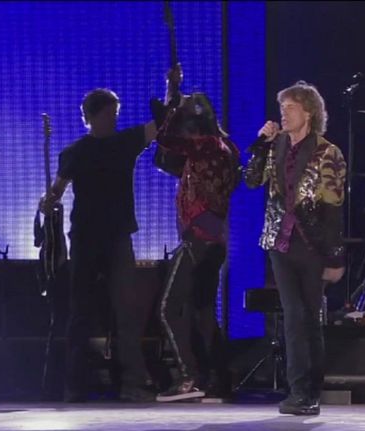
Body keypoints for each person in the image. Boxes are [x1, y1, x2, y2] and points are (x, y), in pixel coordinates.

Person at [39, 88, 158, 403]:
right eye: (108, 114)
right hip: (86, 238)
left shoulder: (125, 142)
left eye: (115, 114)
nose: (113, 119)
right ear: (91, 117)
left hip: (118, 237)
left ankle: (131, 381)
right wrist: (47, 202)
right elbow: (57, 190)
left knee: (126, 311)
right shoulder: (76, 152)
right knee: (81, 311)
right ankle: (74, 385)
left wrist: (171, 89)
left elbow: (162, 124)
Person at [245, 81, 347, 416]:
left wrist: (335, 256)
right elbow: (251, 180)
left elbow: (333, 208)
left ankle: (310, 391)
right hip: (280, 241)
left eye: (290, 107)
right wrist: (260, 145)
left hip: (312, 244)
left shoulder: (328, 152)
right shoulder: (276, 146)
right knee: (292, 317)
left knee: (309, 319)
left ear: (309, 113)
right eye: (282, 107)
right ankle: (298, 391)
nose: (284, 114)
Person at [155, 65, 241, 402]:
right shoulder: (223, 149)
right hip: (211, 240)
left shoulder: (208, 147)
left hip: (199, 238)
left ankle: (191, 376)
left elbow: (165, 139)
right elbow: (165, 159)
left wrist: (172, 101)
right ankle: (218, 380)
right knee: (202, 311)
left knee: (170, 307)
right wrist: (172, 94)